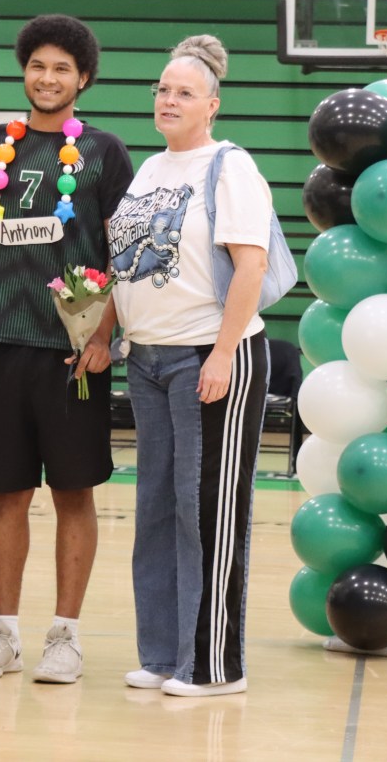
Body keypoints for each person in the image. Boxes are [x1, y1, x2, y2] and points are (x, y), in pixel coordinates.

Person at [0, 15, 133, 684]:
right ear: (24, 71)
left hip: (71, 355)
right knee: (5, 495)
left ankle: (66, 636)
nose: (48, 77)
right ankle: (3, 635)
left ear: (82, 78)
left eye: (62, 68)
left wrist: (104, 333)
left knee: (72, 492)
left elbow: (125, 252)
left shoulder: (104, 151)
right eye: (38, 65)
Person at [108, 35, 271, 698]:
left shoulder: (230, 167)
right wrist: (106, 331)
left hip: (210, 355)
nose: (169, 100)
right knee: (156, 509)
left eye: (184, 92)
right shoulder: (149, 169)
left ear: (212, 105)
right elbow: (127, 265)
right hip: (147, 360)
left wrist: (224, 353)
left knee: (207, 512)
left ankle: (212, 667)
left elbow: (251, 266)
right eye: (162, 90)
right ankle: (162, 654)